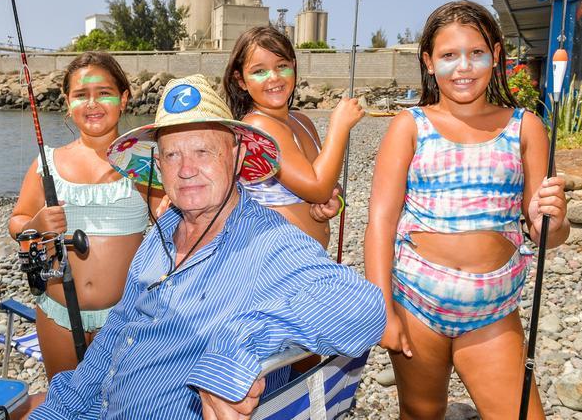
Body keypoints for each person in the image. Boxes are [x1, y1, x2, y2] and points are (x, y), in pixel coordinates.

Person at [25, 75, 387, 419]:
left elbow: (363, 306)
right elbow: (117, 334)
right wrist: (63, 407)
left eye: (203, 151)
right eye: (171, 155)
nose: (185, 170)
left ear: (238, 156)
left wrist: (242, 345)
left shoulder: (266, 241)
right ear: (158, 166)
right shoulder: (162, 233)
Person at [364, 0, 570, 419]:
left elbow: (543, 232)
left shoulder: (525, 126)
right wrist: (382, 311)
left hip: (492, 311)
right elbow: (380, 224)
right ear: (428, 62)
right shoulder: (409, 124)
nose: (463, 67)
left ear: (495, 55)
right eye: (448, 56)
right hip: (416, 301)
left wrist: (556, 219)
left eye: (476, 53)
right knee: (422, 412)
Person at [8, 52, 163, 379]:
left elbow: (172, 223)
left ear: (123, 99)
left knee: (125, 407)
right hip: (57, 315)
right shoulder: (46, 163)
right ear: (67, 103)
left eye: (104, 93)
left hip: (125, 317)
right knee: (65, 403)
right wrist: (36, 224)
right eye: (81, 95)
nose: (92, 103)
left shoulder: (143, 161)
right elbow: (17, 221)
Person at [224, 26, 363, 248]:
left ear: (294, 66)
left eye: (282, 66)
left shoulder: (302, 121)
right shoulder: (257, 126)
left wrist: (335, 200)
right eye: (259, 71)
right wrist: (339, 127)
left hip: (309, 260)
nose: (274, 77)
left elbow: (326, 181)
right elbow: (318, 188)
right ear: (241, 80)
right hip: (277, 264)